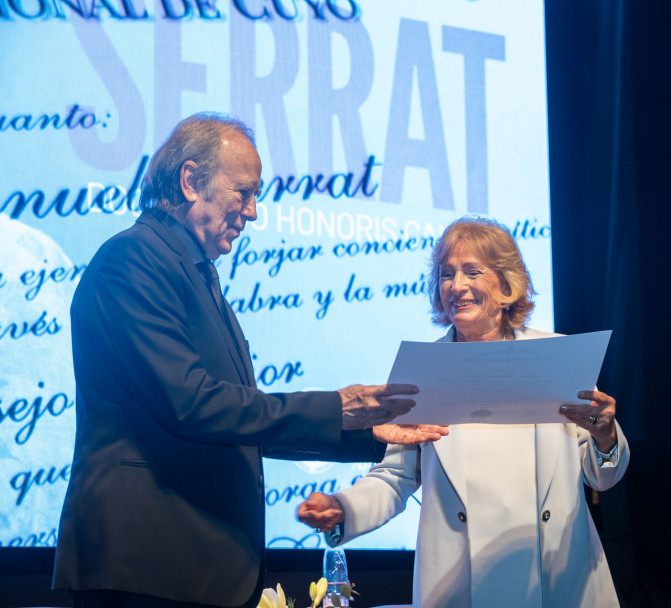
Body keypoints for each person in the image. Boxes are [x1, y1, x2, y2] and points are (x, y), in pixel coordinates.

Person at [52, 113, 447, 608]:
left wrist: (370, 433)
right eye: (243, 192)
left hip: (186, 568)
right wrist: (336, 407)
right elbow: (193, 405)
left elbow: (238, 420)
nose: (254, 212)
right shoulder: (132, 260)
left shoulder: (192, 272)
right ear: (190, 181)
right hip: (147, 568)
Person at [297, 216, 631, 608]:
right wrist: (342, 508)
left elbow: (602, 476)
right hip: (460, 586)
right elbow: (393, 478)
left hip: (559, 583)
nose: (456, 286)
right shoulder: (423, 370)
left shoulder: (556, 357)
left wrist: (605, 435)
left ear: (506, 284)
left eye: (472, 272)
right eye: (446, 274)